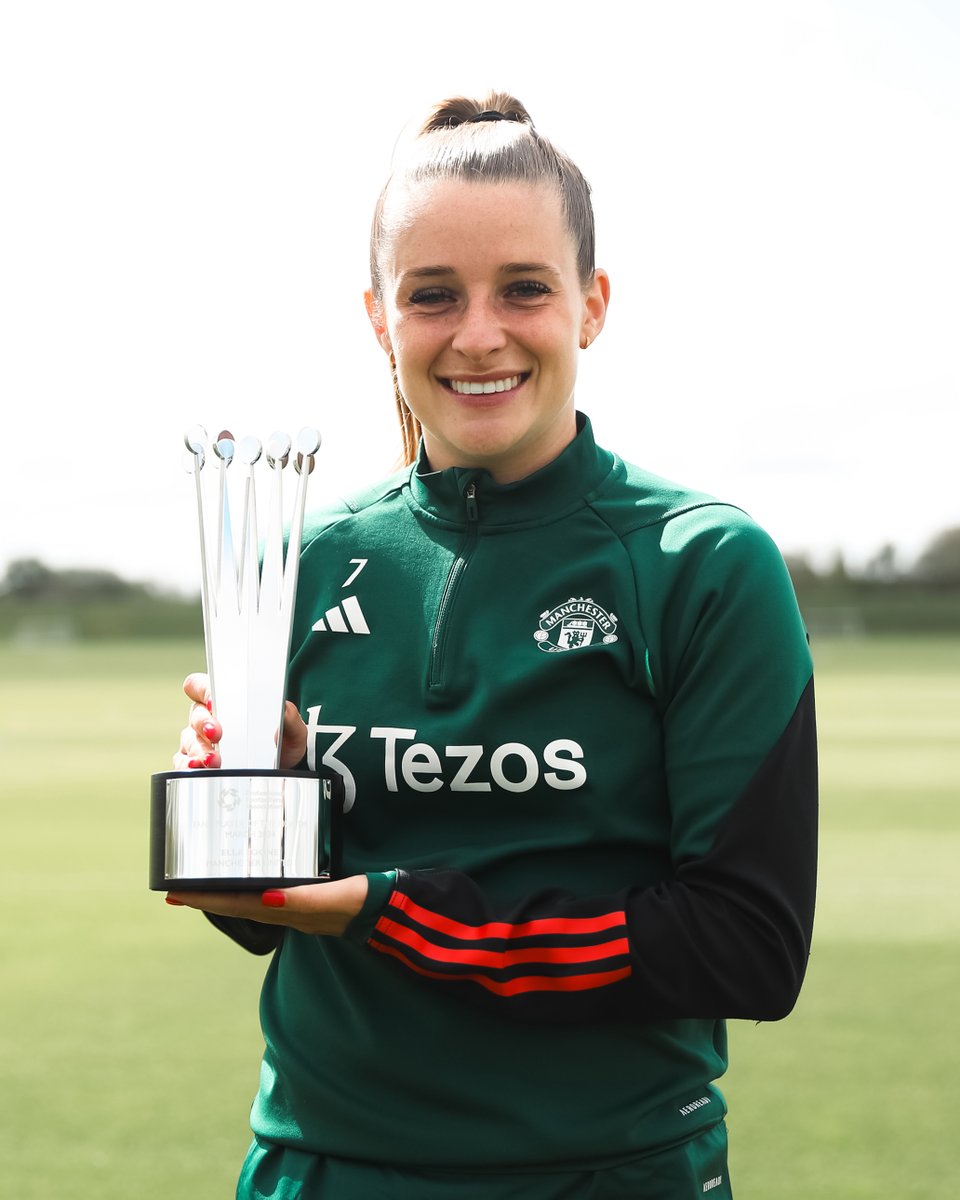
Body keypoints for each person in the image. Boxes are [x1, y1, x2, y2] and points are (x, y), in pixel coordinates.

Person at [168, 91, 818, 1200]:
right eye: (432, 297)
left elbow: (746, 946)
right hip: (319, 1167)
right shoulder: (305, 556)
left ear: (592, 304)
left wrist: (388, 911)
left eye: (524, 288)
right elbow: (269, 924)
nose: (479, 334)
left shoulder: (702, 563)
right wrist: (256, 808)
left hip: (606, 1175)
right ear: (378, 316)